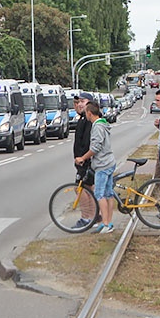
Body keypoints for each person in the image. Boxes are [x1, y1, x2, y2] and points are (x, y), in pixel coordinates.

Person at [76, 100, 116, 234]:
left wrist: (83, 157)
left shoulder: (97, 127)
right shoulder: (103, 124)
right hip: (109, 161)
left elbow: (95, 147)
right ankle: (109, 222)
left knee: (99, 194)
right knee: (109, 193)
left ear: (89, 113)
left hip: (102, 164)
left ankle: (105, 223)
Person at [72, 92, 93, 183]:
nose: (79, 104)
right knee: (88, 189)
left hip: (85, 161)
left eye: (82, 101)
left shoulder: (88, 120)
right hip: (82, 161)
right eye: (78, 102)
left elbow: (87, 141)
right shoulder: (82, 118)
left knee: (81, 188)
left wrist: (83, 158)